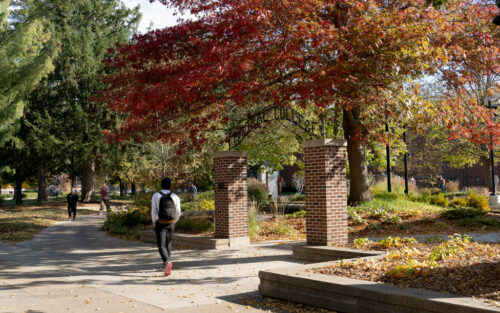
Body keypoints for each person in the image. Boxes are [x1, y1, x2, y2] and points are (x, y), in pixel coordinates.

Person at [151, 177, 181, 277]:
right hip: (171, 223)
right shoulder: (175, 196)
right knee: (168, 243)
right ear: (170, 185)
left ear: (161, 184)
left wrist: (154, 221)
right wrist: (175, 221)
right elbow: (178, 211)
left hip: (160, 222)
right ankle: (166, 264)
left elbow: (153, 211)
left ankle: (167, 262)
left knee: (161, 245)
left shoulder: (156, 195)